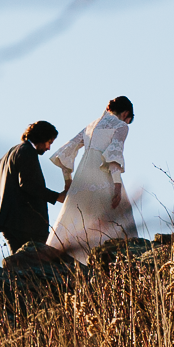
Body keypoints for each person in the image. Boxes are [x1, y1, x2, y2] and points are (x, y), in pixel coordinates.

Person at [48, 96, 137, 259]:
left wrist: (68, 181)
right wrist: (117, 184)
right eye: (128, 119)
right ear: (125, 114)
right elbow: (114, 153)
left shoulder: (91, 125)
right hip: (102, 172)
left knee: (77, 217)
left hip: (83, 173)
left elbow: (67, 151)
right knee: (114, 216)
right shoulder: (121, 126)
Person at [0, 121, 66, 254]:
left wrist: (3, 212)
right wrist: (57, 197)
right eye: (49, 142)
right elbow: (28, 184)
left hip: (9, 225)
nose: (49, 148)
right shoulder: (27, 152)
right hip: (29, 224)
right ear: (42, 137)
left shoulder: (7, 155)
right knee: (37, 268)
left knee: (17, 266)